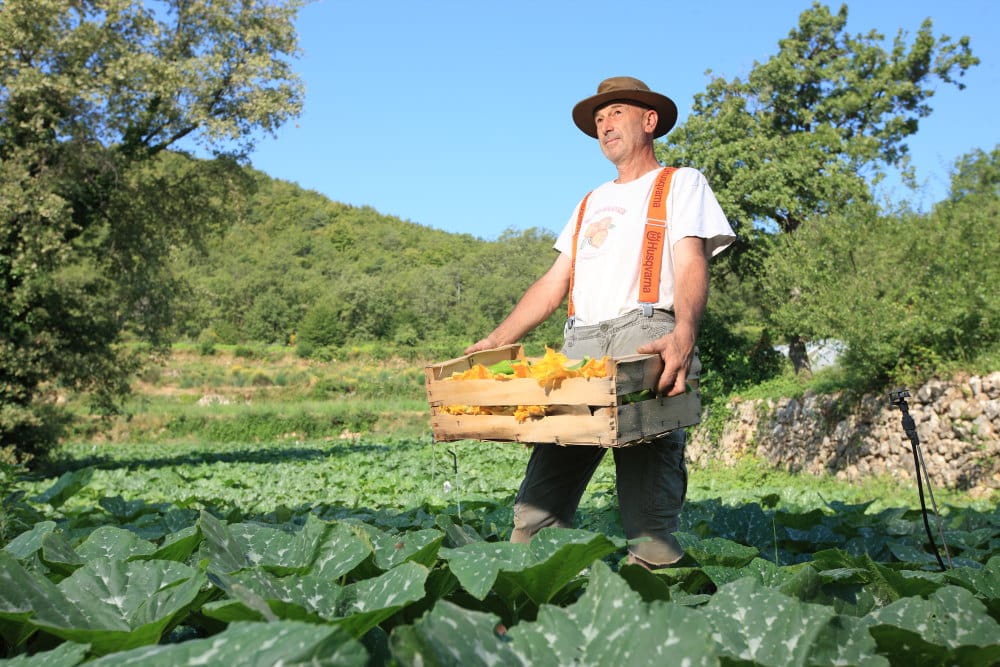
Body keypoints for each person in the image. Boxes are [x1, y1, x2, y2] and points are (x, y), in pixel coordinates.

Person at [465, 76, 735, 568]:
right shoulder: (589, 202)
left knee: (649, 519)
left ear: (649, 121)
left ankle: (653, 597)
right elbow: (553, 283)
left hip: (644, 335)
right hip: (579, 345)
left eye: (615, 113)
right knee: (537, 510)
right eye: (598, 119)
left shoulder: (680, 182)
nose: (604, 125)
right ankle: (534, 597)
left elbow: (691, 262)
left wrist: (684, 333)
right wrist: (497, 339)